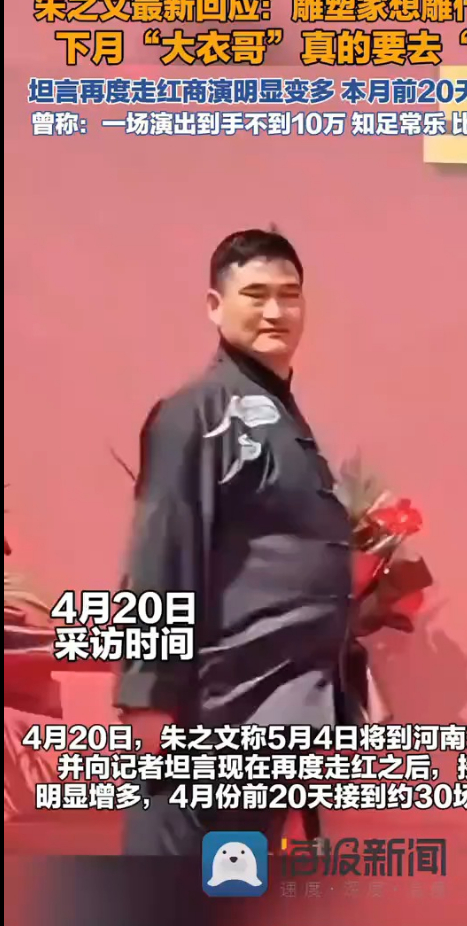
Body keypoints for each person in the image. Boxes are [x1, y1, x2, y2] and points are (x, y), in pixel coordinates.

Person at [116, 228, 359, 856]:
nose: (275, 310)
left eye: (289, 294)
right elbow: (161, 556)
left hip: (269, 725)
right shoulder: (198, 413)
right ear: (214, 306)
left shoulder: (279, 414)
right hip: (212, 719)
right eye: (255, 294)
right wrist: (148, 699)